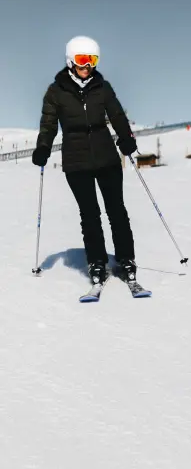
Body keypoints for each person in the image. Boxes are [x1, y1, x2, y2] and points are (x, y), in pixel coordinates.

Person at [32, 36, 139, 285]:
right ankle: (97, 262)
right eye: (82, 59)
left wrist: (126, 137)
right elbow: (48, 125)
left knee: (117, 211)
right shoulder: (55, 92)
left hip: (106, 157)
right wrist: (43, 147)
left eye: (93, 60)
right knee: (89, 214)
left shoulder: (103, 87)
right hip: (76, 160)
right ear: (71, 61)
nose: (88, 65)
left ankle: (126, 259)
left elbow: (117, 115)